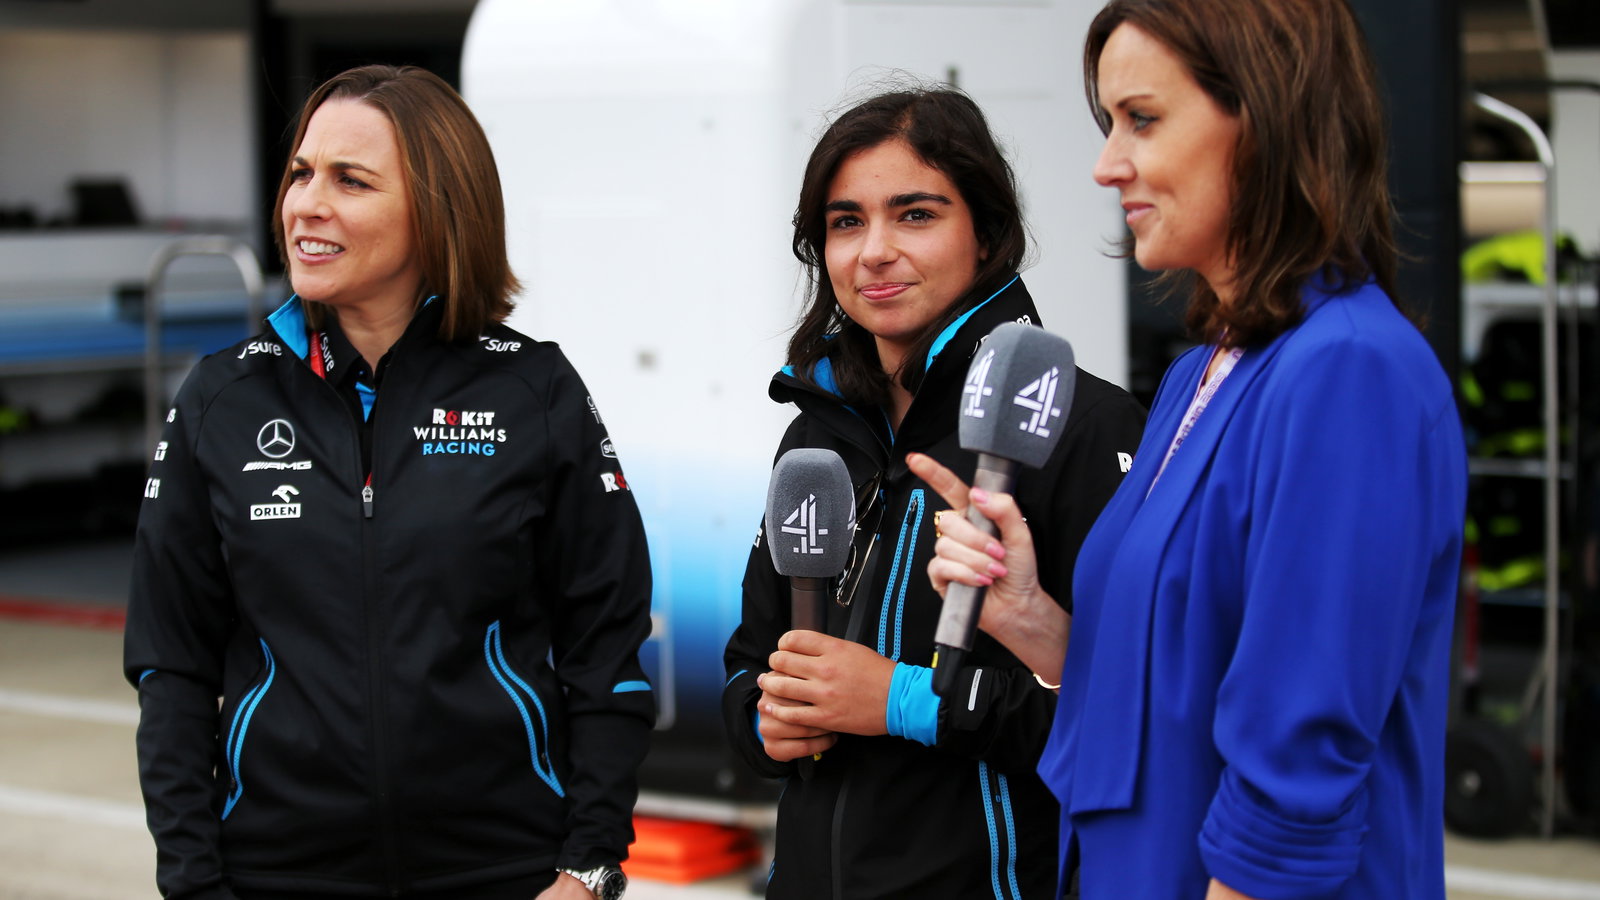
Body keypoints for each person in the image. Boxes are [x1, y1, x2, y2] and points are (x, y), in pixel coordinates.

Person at [918, 1, 1468, 897]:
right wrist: (1032, 620)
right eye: (1107, 124)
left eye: (1142, 119)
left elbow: (1295, 770)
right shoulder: (1202, 375)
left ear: (1265, 117)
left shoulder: (1347, 374)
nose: (1107, 165)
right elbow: (1168, 691)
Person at [124, 65, 651, 900]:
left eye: (350, 180)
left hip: (505, 871)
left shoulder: (534, 392)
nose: (305, 204)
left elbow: (608, 648)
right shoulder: (221, 398)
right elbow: (172, 664)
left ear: (437, 208)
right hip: (276, 874)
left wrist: (588, 866)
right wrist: (192, 882)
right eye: (301, 173)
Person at [721, 86, 1146, 899]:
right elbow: (751, 659)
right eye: (845, 222)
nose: (873, 251)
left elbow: (1128, 715)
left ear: (984, 234)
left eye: (914, 214)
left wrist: (902, 700)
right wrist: (765, 720)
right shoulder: (817, 433)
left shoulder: (1086, 426)